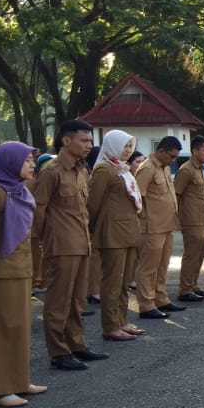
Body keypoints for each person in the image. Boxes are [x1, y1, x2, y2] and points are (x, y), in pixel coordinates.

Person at [32, 120, 109, 370]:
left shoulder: (81, 169)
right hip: (62, 244)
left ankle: (77, 344)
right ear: (66, 141)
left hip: (81, 241)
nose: (89, 145)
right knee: (58, 301)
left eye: (90, 141)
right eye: (84, 140)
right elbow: (39, 210)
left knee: (77, 300)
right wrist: (46, 238)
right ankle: (58, 351)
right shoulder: (52, 171)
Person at [0, 142, 48, 407]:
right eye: (26, 160)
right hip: (1, 272)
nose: (31, 165)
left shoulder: (18, 189)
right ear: (10, 163)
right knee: (2, 330)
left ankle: (18, 380)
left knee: (20, 328)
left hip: (21, 268)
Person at [87, 130, 145, 342]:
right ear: (112, 146)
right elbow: (93, 204)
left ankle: (122, 321)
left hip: (128, 231)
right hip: (113, 233)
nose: (128, 150)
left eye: (130, 146)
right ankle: (110, 326)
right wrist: (94, 228)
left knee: (124, 282)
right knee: (112, 282)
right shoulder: (104, 170)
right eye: (124, 146)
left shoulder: (123, 169)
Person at [134, 137, 185, 320]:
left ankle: (160, 298)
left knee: (162, 265)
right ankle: (146, 304)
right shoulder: (147, 168)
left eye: (175, 158)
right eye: (171, 156)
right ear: (161, 151)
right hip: (152, 227)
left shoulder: (163, 168)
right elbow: (138, 198)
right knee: (148, 267)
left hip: (166, 225)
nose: (173, 161)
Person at [175, 137, 204, 303]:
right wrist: (177, 219)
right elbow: (176, 195)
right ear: (195, 151)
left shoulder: (199, 169)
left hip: (203, 219)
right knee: (191, 255)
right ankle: (185, 289)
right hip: (191, 220)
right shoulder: (186, 170)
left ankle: (193, 285)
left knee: (200, 255)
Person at [28, 153, 55, 293]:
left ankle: (40, 281)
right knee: (35, 255)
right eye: (27, 161)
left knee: (40, 255)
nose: (31, 165)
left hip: (37, 225)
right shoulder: (32, 181)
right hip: (33, 225)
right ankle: (35, 282)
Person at [123, 150, 145, 292]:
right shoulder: (125, 178)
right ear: (129, 164)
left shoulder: (139, 177)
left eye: (143, 161)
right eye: (137, 162)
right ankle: (130, 279)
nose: (141, 165)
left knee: (139, 252)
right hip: (128, 221)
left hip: (140, 220)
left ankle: (134, 278)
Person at [84, 145, 102, 309]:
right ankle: (94, 290)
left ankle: (96, 289)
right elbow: (94, 202)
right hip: (95, 221)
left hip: (102, 222)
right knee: (95, 256)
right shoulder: (98, 172)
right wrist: (93, 222)